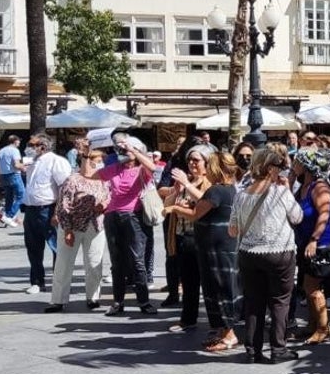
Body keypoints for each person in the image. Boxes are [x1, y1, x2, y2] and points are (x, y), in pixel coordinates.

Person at [231, 147, 303, 364]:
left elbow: (232, 230)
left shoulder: (241, 195)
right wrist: (288, 190)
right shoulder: (280, 192)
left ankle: (252, 349)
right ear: (271, 168)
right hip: (279, 252)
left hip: (248, 254)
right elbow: (297, 217)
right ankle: (278, 348)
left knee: (254, 302)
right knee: (280, 301)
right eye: (279, 167)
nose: (281, 171)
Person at [166, 151, 241, 352]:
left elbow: (195, 214)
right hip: (220, 246)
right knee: (216, 288)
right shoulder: (231, 189)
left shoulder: (216, 190)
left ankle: (229, 335)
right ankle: (221, 331)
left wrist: (174, 209)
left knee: (219, 289)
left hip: (216, 249)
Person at [96, 135, 157, 316]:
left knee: (137, 260)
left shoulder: (141, 170)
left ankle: (144, 301)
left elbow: (153, 167)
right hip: (112, 216)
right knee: (117, 262)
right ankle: (117, 302)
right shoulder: (114, 168)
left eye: (125, 150)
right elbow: (89, 175)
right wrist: (86, 155)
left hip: (132, 217)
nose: (122, 152)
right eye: (120, 149)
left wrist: (134, 149)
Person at [46, 148, 109, 313]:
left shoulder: (104, 179)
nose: (100, 162)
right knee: (64, 263)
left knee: (94, 262)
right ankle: (58, 300)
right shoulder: (72, 180)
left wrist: (105, 205)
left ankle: (93, 297)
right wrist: (67, 230)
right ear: (87, 159)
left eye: (102, 159)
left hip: (96, 225)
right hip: (72, 226)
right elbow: (64, 206)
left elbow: (111, 196)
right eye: (97, 158)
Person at [161, 145, 214, 332]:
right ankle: (188, 319)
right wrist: (176, 191)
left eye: (196, 160)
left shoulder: (209, 183)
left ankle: (216, 323)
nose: (191, 163)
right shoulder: (186, 182)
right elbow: (167, 206)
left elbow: (204, 204)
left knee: (208, 283)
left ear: (206, 163)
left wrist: (184, 199)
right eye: (190, 159)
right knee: (189, 282)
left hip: (202, 238)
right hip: (183, 237)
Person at [292, 147, 330, 346]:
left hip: (319, 243)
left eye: (298, 162)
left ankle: (323, 328)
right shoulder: (304, 185)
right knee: (307, 285)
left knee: (312, 287)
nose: (294, 164)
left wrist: (314, 239)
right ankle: (313, 324)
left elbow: (324, 215)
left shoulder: (320, 187)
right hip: (304, 241)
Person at [21, 134, 72, 295]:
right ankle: (37, 281)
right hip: (31, 209)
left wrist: (58, 212)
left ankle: (59, 282)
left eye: (32, 144)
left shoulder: (57, 161)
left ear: (42, 146)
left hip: (48, 209)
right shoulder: (33, 162)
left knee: (56, 247)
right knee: (33, 248)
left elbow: (65, 188)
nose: (28, 147)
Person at [0, 134, 24, 228]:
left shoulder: (1, 151)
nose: (19, 142)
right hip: (14, 175)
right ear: (15, 141)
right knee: (21, 195)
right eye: (19, 141)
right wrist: (25, 167)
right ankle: (9, 216)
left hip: (3, 176)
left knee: (9, 198)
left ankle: (7, 215)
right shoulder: (15, 150)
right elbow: (16, 165)